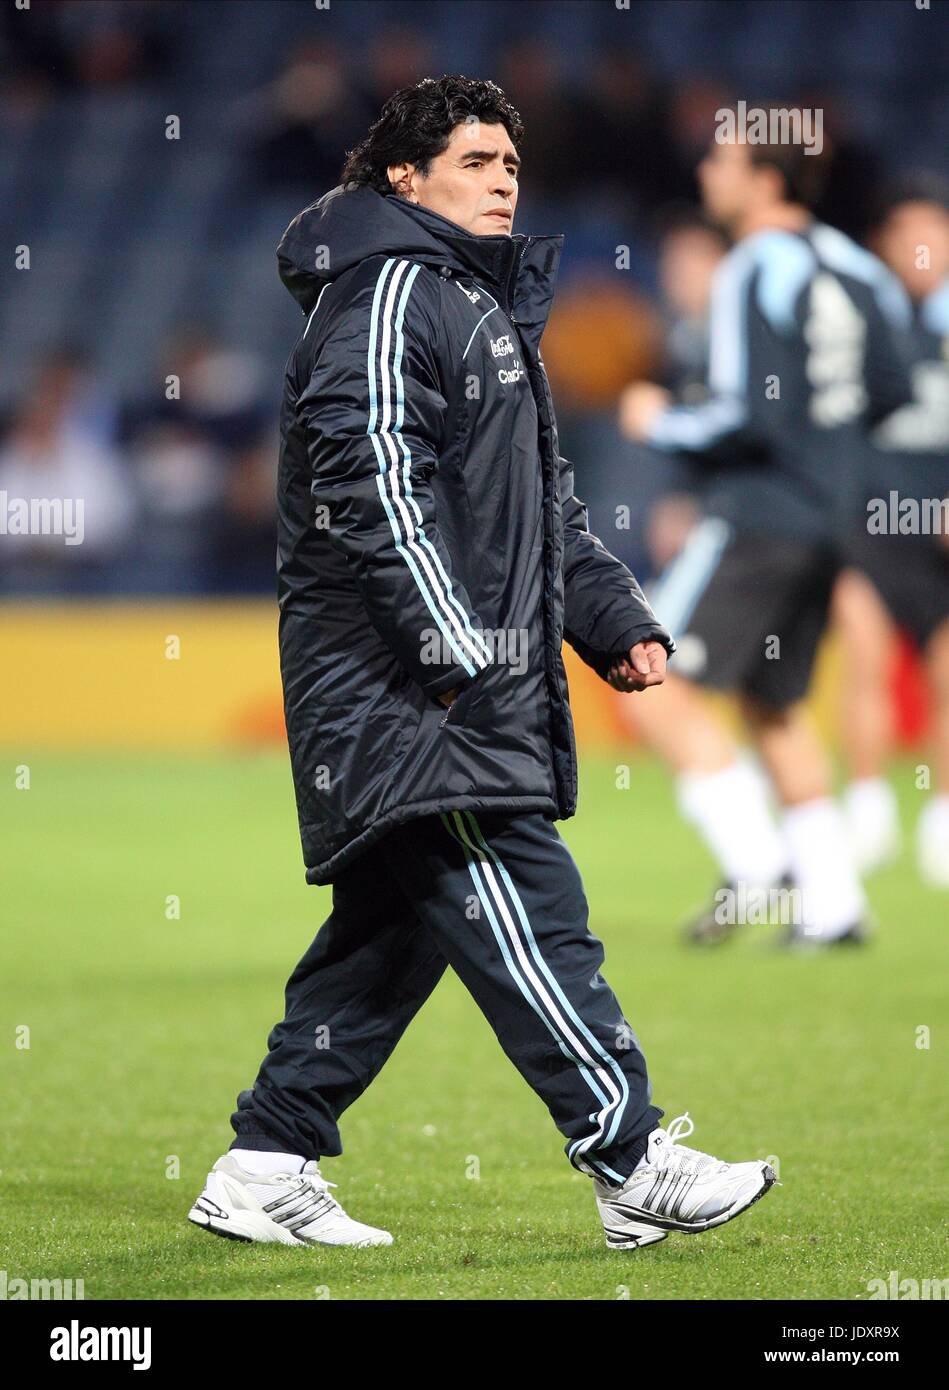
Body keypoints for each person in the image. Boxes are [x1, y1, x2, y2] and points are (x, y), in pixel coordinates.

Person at [188, 76, 776, 1251]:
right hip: (410, 689)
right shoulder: (390, 293)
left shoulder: (467, 301)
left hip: (449, 682)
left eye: (509, 162)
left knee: (393, 934)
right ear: (403, 178)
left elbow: (538, 509)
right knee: (528, 903)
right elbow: (376, 484)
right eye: (472, 161)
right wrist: (450, 643)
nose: (502, 179)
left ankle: (266, 1159)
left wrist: (608, 616)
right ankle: (627, 1152)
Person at [621, 111, 912, 947]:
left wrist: (659, 420)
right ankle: (832, 904)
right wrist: (832, 452)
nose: (707, 171)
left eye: (722, 157)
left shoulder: (751, 265)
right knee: (774, 706)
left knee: (644, 675)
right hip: (830, 519)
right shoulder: (860, 266)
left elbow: (744, 411)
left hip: (757, 514)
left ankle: (757, 867)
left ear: (767, 179)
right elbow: (892, 388)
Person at [834, 176, 949, 884]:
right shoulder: (859, 324)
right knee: (863, 660)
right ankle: (868, 808)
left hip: (940, 521)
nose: (919, 248)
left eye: (932, 234)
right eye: (905, 234)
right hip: (871, 519)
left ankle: (940, 817)